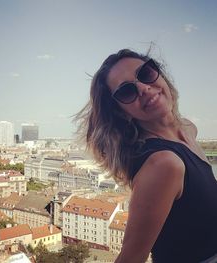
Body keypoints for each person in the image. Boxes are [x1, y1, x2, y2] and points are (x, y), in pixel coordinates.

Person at [75, 49, 217, 263]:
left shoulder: (188, 130)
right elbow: (131, 258)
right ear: (121, 111)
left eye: (146, 73)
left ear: (159, 74)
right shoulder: (163, 164)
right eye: (126, 91)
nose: (143, 87)